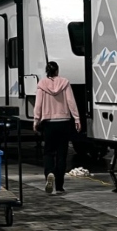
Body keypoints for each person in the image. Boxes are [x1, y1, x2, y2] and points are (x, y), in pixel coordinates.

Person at [33, 61, 80, 195]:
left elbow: (38, 104)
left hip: (49, 122)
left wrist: (36, 120)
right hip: (64, 122)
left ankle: (49, 173)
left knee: (48, 152)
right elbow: (71, 101)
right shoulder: (65, 82)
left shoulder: (42, 84)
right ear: (57, 71)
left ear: (47, 71)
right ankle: (59, 186)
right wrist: (76, 118)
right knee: (62, 153)